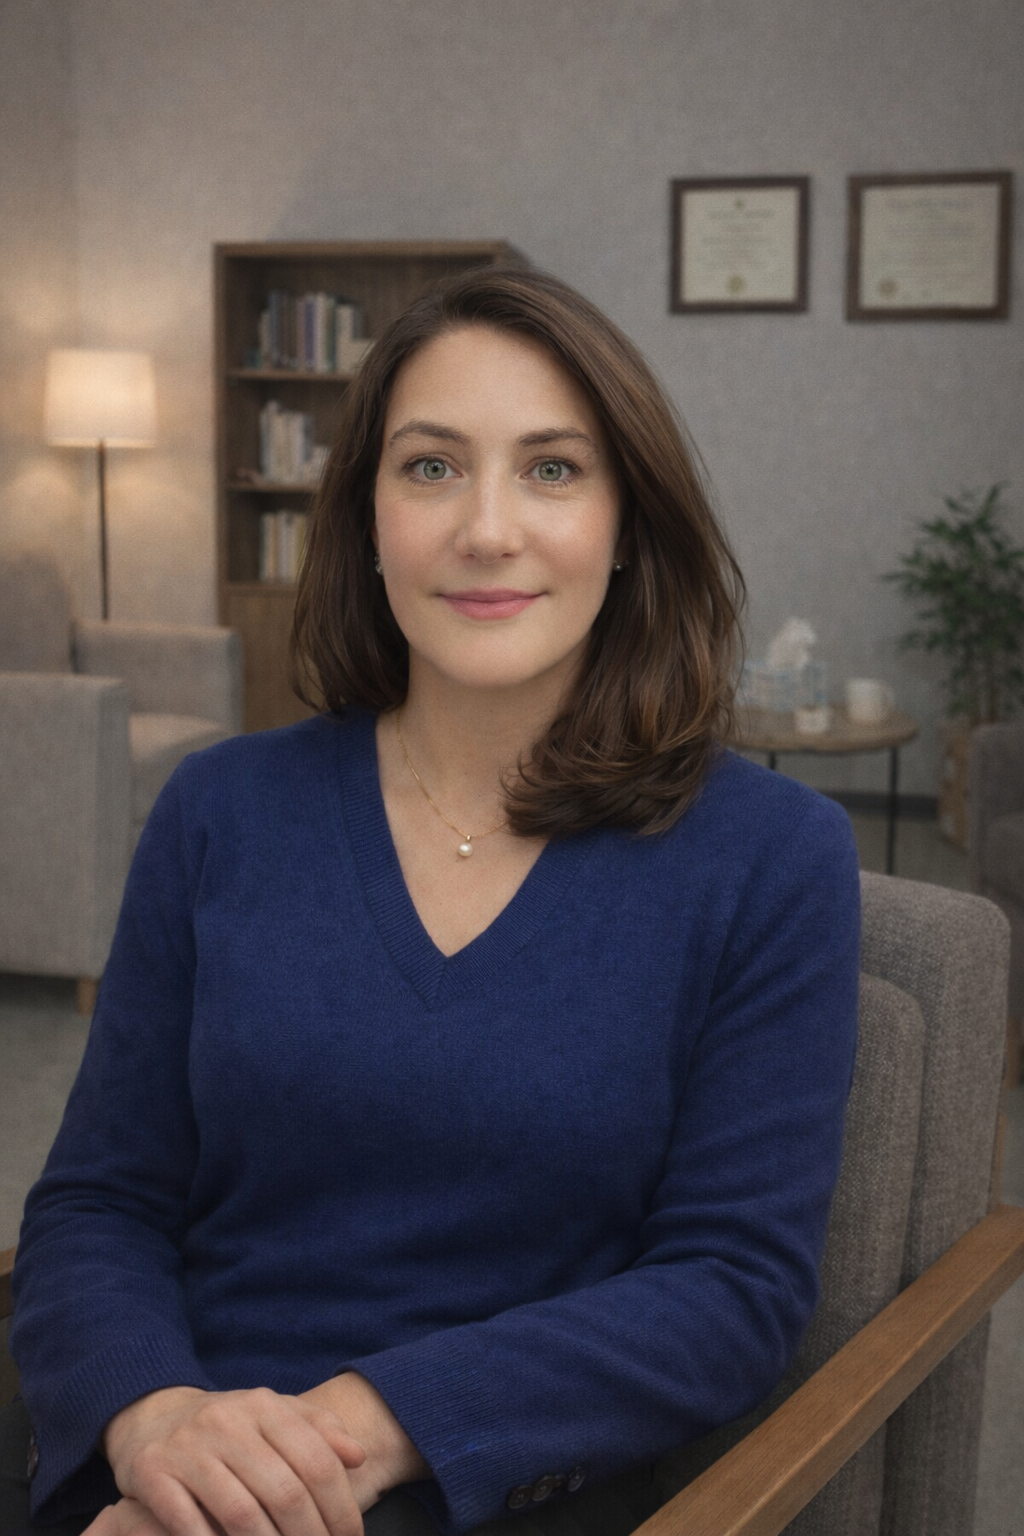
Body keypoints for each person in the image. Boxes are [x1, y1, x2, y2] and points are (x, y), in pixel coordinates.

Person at [5, 267, 860, 1536]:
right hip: (169, 1445)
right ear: (365, 517)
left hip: (487, 1474)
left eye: (552, 469)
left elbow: (730, 1289)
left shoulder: (772, 854)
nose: (487, 529)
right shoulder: (218, 809)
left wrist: (327, 1445)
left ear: (629, 523)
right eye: (430, 467)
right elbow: (99, 1200)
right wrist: (155, 1420)